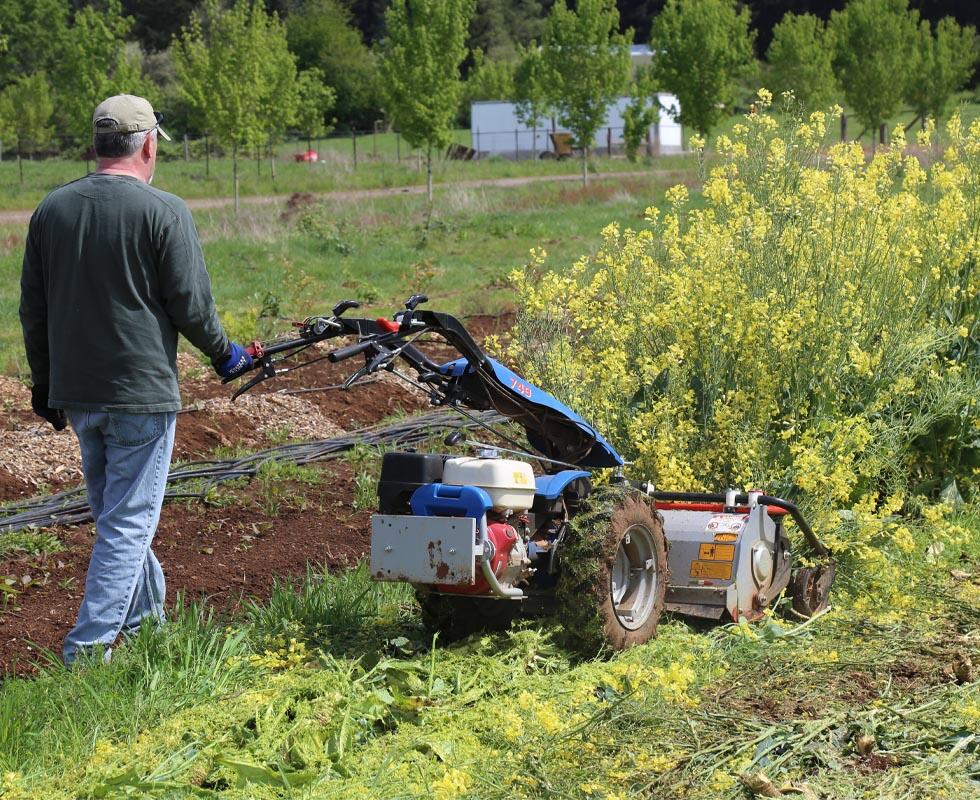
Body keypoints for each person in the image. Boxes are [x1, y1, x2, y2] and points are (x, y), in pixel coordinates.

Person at [19, 95, 254, 665]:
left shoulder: (52, 210)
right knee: (126, 524)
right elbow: (191, 305)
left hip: (78, 392)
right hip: (139, 394)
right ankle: (87, 653)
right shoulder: (164, 210)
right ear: (148, 145)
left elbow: (34, 309)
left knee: (118, 516)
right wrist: (227, 357)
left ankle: (151, 631)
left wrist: (44, 384)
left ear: (96, 145)